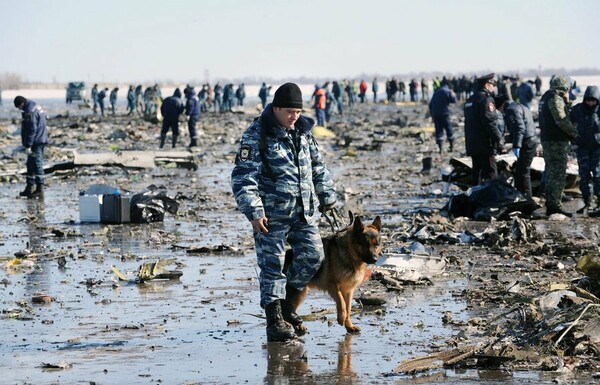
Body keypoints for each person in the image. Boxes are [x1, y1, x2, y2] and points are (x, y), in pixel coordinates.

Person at [231, 82, 337, 342]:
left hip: (303, 213)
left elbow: (318, 167)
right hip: (271, 217)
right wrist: (254, 210)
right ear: (275, 108)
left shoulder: (303, 132)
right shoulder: (256, 135)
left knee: (313, 256)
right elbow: (244, 178)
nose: (294, 117)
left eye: (298, 112)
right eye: (289, 111)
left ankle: (286, 303)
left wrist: (328, 198)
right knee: (272, 267)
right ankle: (274, 319)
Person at [539, 75, 578, 217]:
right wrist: (575, 134)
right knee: (558, 174)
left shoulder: (544, 98)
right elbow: (562, 121)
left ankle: (552, 203)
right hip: (556, 142)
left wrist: (567, 102)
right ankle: (555, 206)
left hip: (548, 140)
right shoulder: (555, 99)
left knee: (550, 172)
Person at [495, 94, 537, 199]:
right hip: (530, 140)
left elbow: (520, 128)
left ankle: (527, 200)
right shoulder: (519, 105)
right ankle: (520, 196)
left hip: (526, 143)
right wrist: (505, 140)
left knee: (523, 173)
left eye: (499, 109)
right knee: (520, 172)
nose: (500, 112)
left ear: (501, 105)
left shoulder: (510, 110)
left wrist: (516, 146)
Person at [463, 73, 502, 186]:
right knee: (491, 172)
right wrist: (499, 139)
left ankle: (476, 198)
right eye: (492, 84)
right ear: (486, 85)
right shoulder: (486, 99)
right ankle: (492, 199)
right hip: (485, 144)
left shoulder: (470, 100)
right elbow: (490, 122)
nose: (493, 87)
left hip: (472, 143)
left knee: (477, 172)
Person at [570, 86, 600, 213]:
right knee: (584, 176)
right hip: (582, 148)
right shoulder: (578, 110)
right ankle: (587, 202)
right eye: (588, 100)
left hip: (597, 148)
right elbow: (569, 123)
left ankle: (599, 203)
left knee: (598, 176)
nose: (590, 103)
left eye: (593, 101)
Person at [14, 96, 48, 198]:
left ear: (21, 104)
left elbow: (31, 129)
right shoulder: (34, 105)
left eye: (19, 107)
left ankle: (39, 189)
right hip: (40, 138)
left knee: (37, 164)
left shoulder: (29, 111)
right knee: (30, 164)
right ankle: (29, 187)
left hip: (36, 142)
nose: (20, 109)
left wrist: (28, 145)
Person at [428, 80, 457, 153]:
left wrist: (432, 115)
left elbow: (430, 105)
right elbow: (454, 100)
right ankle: (451, 147)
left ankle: (440, 149)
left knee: (438, 131)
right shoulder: (448, 91)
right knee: (449, 129)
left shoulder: (436, 92)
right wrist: (453, 94)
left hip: (436, 115)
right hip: (445, 114)